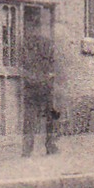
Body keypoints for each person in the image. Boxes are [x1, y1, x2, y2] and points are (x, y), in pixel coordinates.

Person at [20, 22, 59, 156]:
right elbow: (53, 65)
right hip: (45, 85)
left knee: (30, 118)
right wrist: (48, 77)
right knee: (50, 116)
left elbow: (23, 66)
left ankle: (27, 150)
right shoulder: (48, 44)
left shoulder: (25, 44)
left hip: (32, 85)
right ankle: (50, 145)